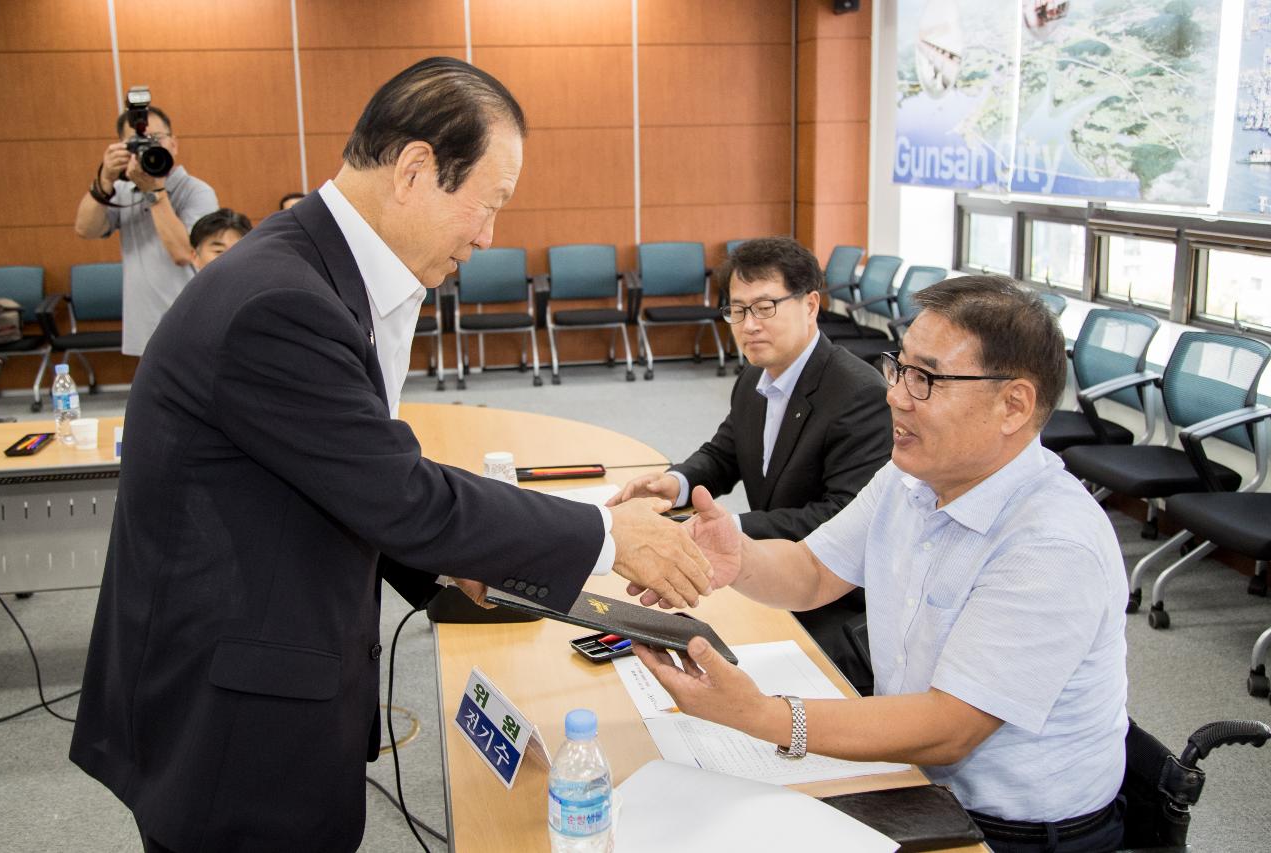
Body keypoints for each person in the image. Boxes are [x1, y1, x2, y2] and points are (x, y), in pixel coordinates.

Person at [70, 57, 712, 853]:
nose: (488, 236)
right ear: (415, 170)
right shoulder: (283, 302)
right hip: (228, 724)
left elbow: (344, 476)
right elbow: (400, 492)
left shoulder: (313, 269)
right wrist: (612, 537)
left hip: (250, 669)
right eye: (490, 203)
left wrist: (450, 564)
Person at [634, 276, 1129, 852]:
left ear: (1012, 405)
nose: (894, 394)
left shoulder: (1051, 543)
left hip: (1008, 832)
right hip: (911, 777)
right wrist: (738, 559)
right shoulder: (911, 477)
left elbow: (950, 729)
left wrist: (762, 717)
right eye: (899, 368)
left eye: (926, 379)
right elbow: (814, 572)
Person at [608, 236, 890, 686]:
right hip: (762, 573)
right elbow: (726, 452)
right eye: (738, 310)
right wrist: (677, 482)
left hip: (830, 602)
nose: (748, 325)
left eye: (764, 307)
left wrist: (730, 532)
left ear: (811, 304)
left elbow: (842, 517)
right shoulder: (755, 375)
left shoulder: (859, 393)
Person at [74, 102, 219, 356]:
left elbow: (185, 254)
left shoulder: (196, 191)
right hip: (144, 325)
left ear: (174, 144)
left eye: (155, 138)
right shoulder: (121, 190)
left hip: (190, 322)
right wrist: (104, 180)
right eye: (136, 142)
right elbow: (86, 229)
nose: (148, 147)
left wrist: (153, 192)